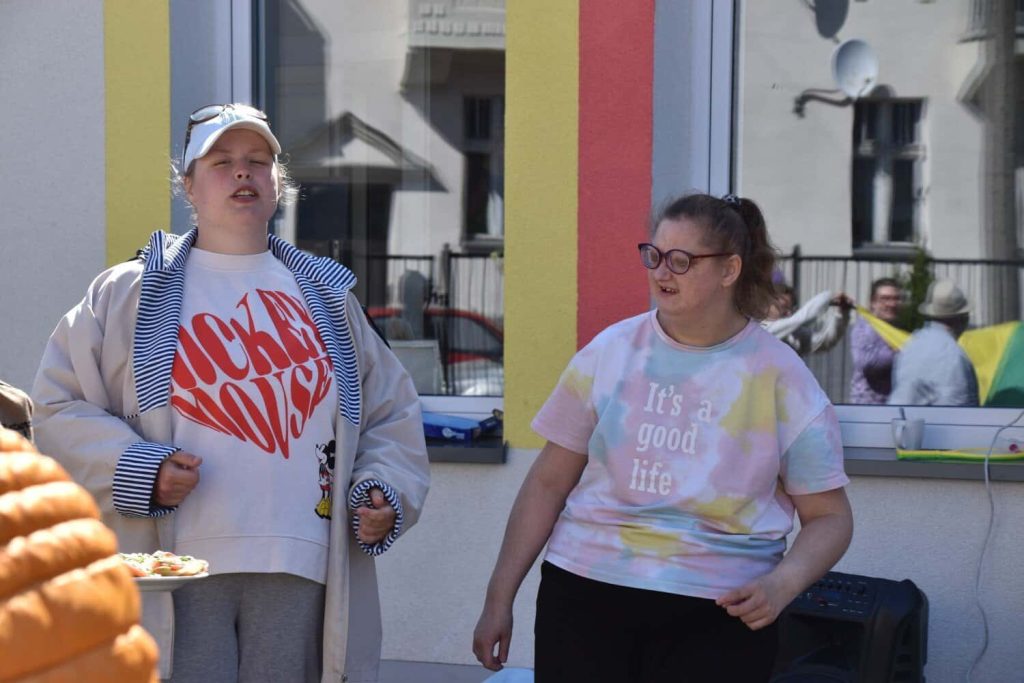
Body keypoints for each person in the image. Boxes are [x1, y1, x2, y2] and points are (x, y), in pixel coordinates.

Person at [31, 103, 430, 683]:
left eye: (258, 161)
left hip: (300, 565)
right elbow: (56, 406)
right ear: (188, 185)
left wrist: (382, 492)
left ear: (277, 185)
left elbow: (391, 415)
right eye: (221, 162)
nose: (243, 172)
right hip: (172, 570)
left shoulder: (327, 295)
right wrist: (141, 468)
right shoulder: (125, 293)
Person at [472, 193, 853, 682]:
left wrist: (782, 585)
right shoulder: (610, 351)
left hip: (720, 609)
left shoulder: (783, 378)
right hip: (587, 591)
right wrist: (498, 597)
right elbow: (547, 483)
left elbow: (830, 517)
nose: (660, 272)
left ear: (730, 269)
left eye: (681, 260)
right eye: (653, 255)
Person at [888, 278, 979, 407]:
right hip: (934, 420)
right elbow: (960, 413)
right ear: (963, 318)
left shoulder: (910, 345)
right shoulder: (955, 356)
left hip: (897, 417)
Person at [849, 277, 903, 404]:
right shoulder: (864, 327)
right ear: (873, 302)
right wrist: (898, 352)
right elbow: (865, 361)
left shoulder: (896, 328)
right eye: (885, 299)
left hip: (892, 403)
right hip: (868, 405)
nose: (892, 304)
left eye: (896, 299)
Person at [763, 283, 852, 356]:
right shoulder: (761, 329)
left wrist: (841, 314)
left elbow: (824, 341)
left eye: (790, 309)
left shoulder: (793, 335)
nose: (789, 313)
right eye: (784, 307)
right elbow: (800, 318)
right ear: (767, 304)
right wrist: (829, 296)